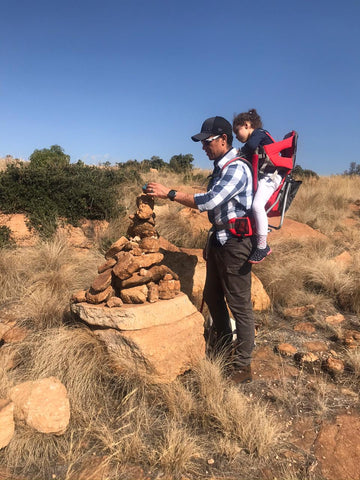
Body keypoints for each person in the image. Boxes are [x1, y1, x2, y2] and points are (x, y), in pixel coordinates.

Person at [144, 116, 255, 383]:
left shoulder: (236, 168)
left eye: (208, 142)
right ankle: (223, 345)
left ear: (223, 140)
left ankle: (242, 367)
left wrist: (170, 194)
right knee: (213, 296)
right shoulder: (220, 167)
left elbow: (209, 201)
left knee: (239, 305)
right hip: (219, 239)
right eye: (203, 143)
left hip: (236, 243)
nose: (204, 147)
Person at [233, 108, 281, 263]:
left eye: (237, 131)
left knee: (257, 206)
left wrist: (237, 154)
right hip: (264, 176)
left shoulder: (259, 133)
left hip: (271, 177)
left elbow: (250, 146)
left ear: (247, 125)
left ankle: (262, 246)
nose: (236, 136)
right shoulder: (257, 136)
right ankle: (253, 235)